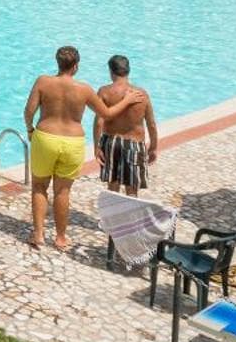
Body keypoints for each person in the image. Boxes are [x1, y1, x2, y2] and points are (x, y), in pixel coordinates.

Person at [23, 46, 145, 251]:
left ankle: (38, 235)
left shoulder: (43, 82)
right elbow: (107, 114)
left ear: (58, 63)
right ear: (76, 66)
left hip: (45, 138)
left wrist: (30, 130)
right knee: (63, 191)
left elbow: (28, 111)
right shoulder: (84, 89)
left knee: (39, 186)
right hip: (73, 142)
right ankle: (61, 238)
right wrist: (127, 100)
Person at [94, 55, 159, 197]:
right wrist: (153, 147)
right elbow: (151, 124)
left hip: (111, 143)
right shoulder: (141, 94)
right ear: (128, 71)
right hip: (134, 144)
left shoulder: (104, 92)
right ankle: (131, 212)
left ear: (111, 71)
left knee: (112, 187)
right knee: (132, 190)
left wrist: (96, 147)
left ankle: (112, 212)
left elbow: (99, 123)